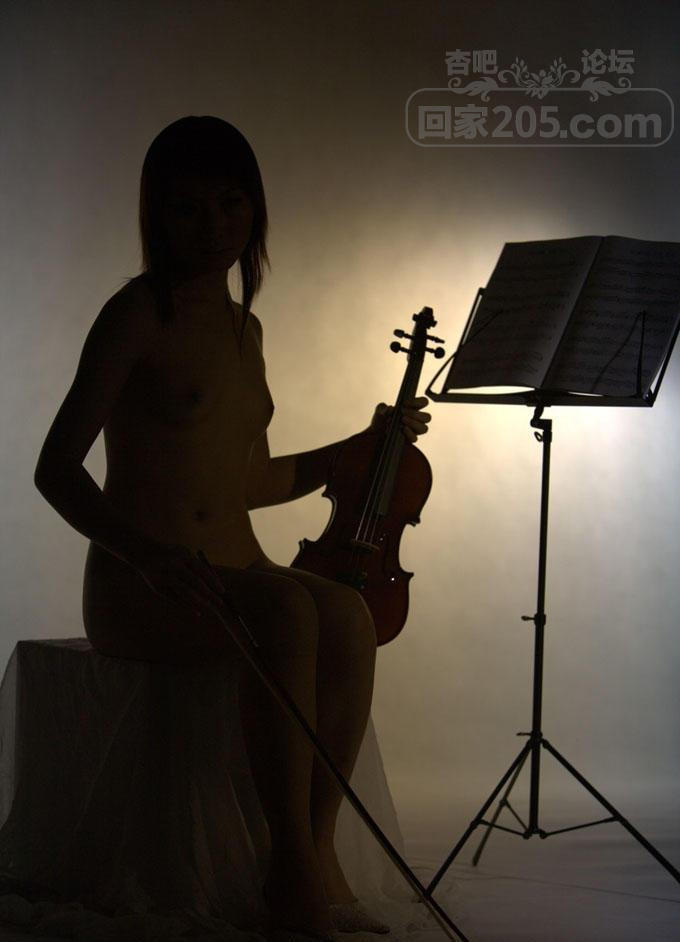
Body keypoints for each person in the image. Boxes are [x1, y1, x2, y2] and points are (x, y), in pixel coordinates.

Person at [33, 115, 431, 942]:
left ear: (255, 210)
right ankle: (288, 872)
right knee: (285, 609)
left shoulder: (246, 330)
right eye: (188, 208)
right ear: (157, 215)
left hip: (231, 570)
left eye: (230, 204)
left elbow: (249, 482)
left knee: (346, 611)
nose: (213, 226)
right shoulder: (136, 315)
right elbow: (56, 467)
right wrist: (144, 555)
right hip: (147, 585)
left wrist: (357, 450)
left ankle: (317, 852)